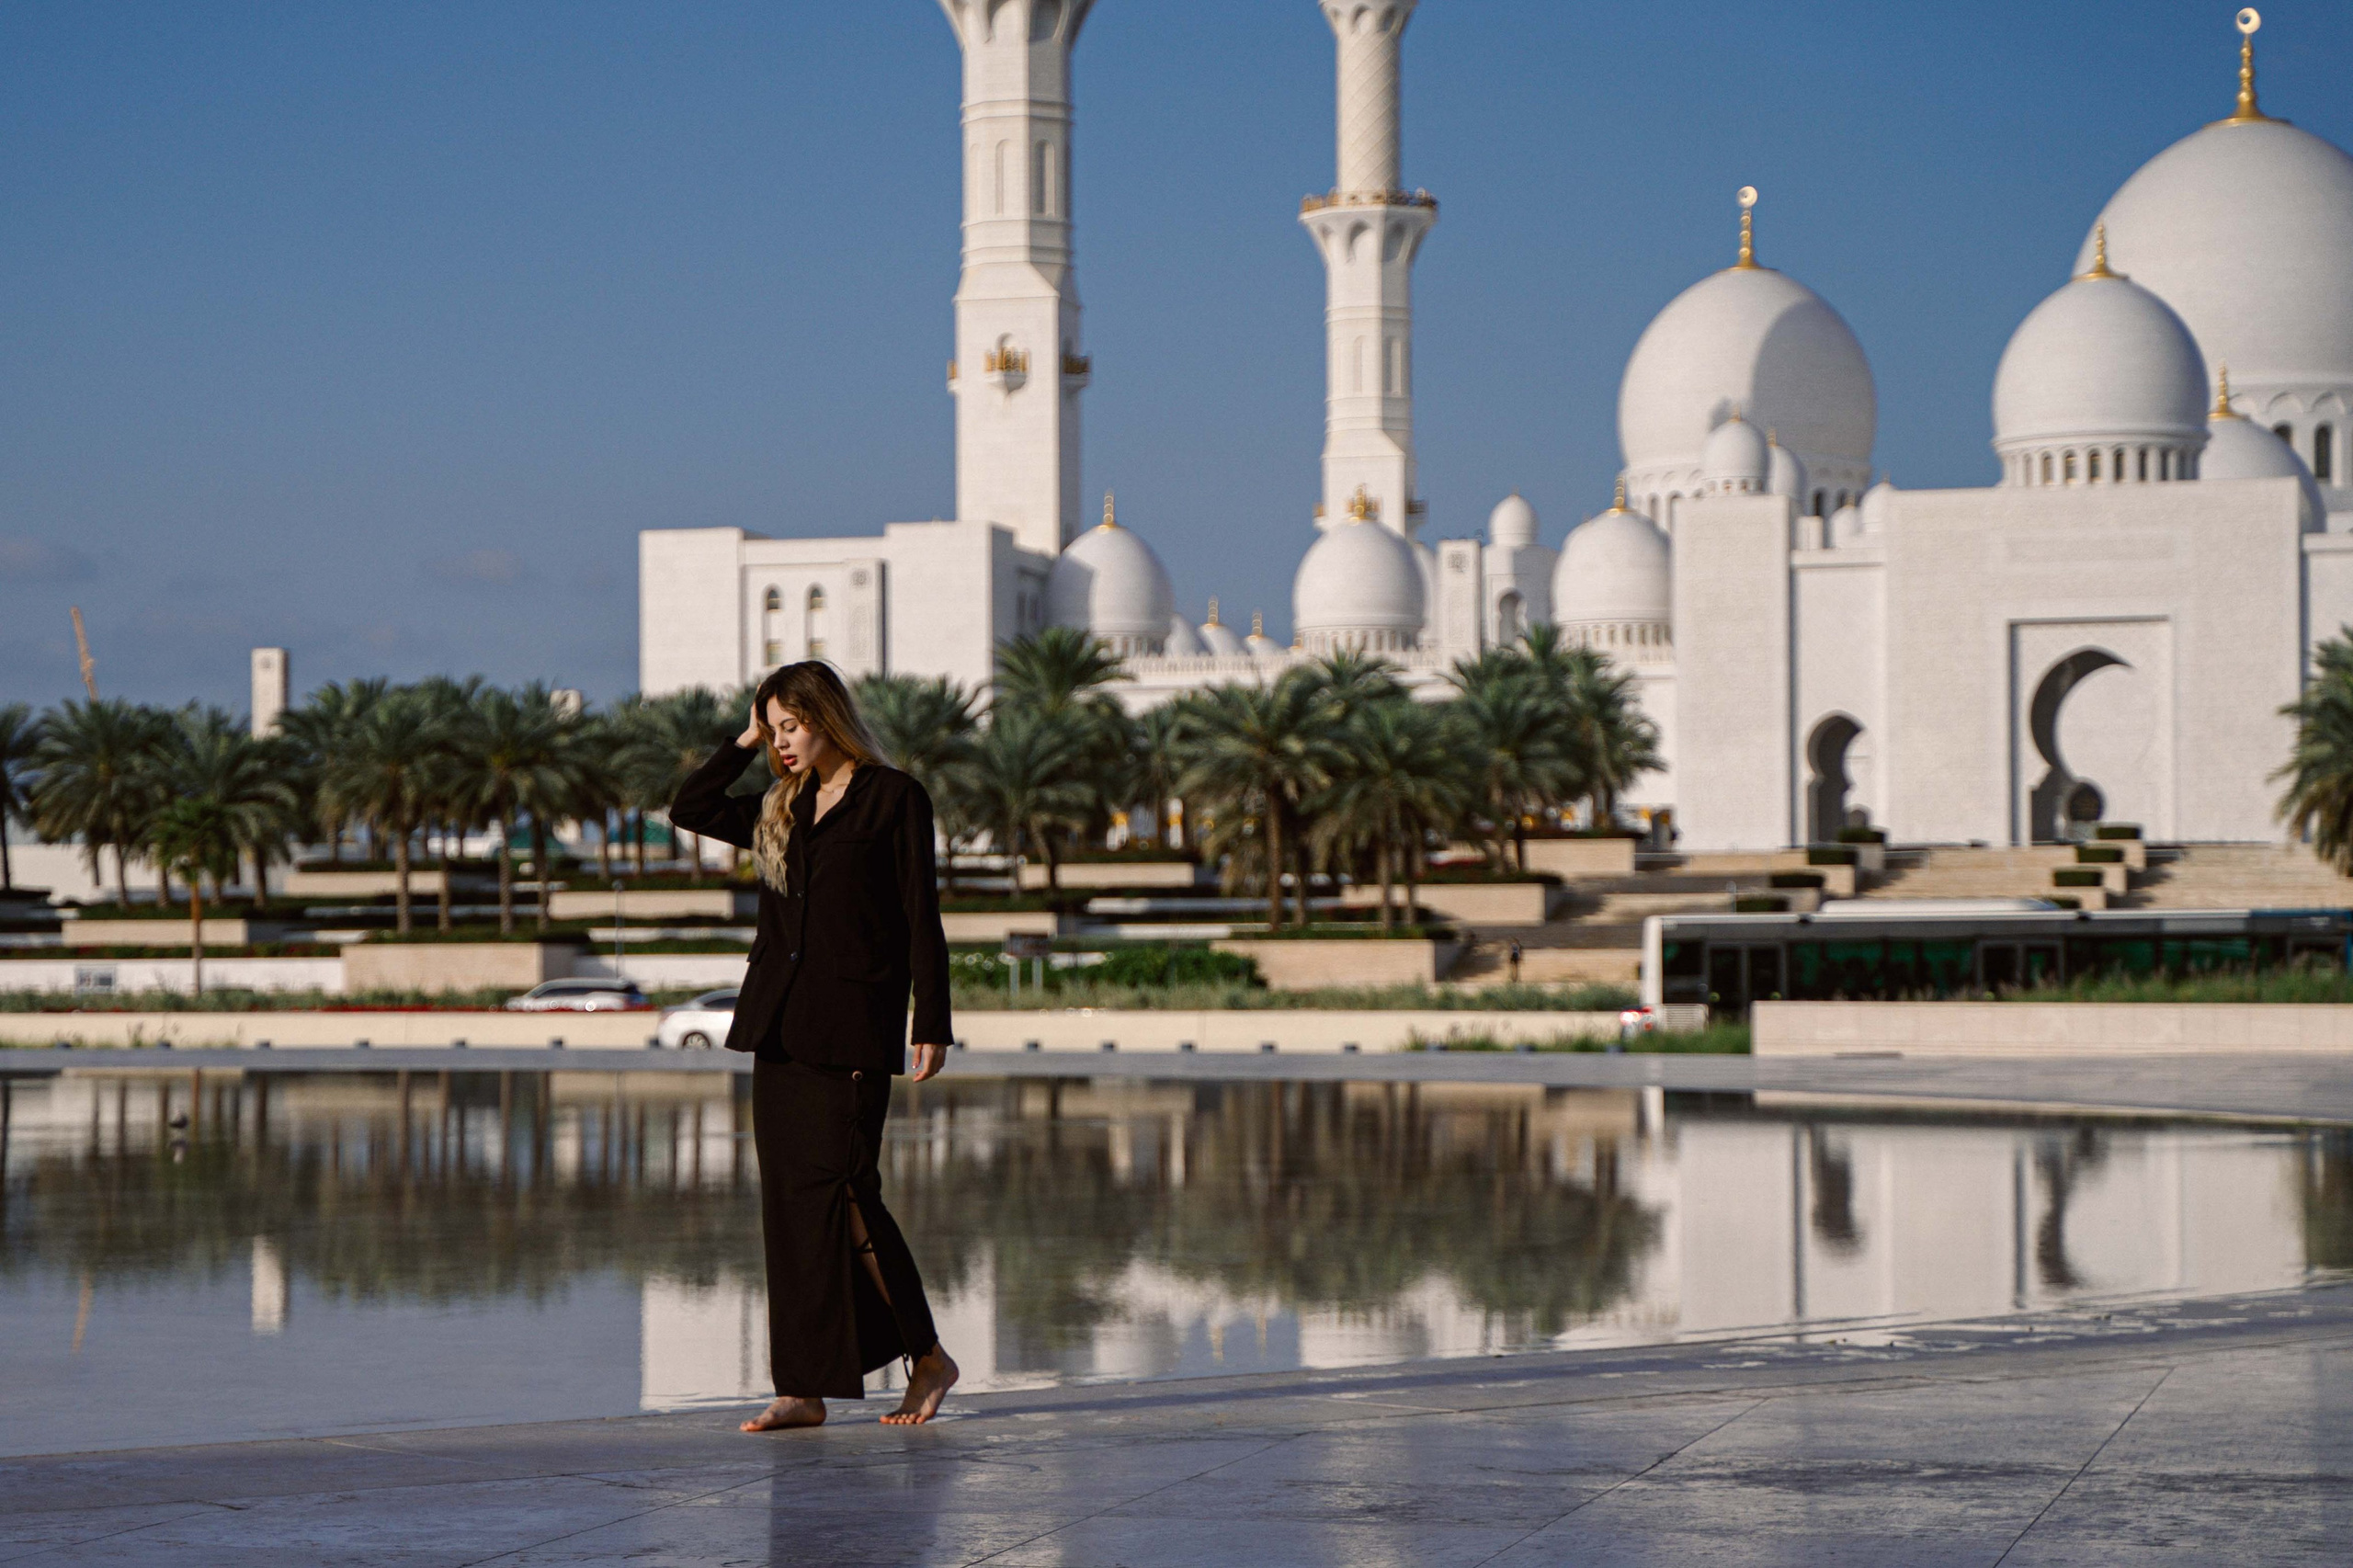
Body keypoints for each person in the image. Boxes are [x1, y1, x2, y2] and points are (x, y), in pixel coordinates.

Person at [669, 661, 959, 1431]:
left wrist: (931, 1017)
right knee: (791, 1214)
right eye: (773, 731)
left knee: (849, 1195)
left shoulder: (895, 797)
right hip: (781, 1028)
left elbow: (919, 915)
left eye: (790, 727)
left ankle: (926, 1356)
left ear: (827, 717)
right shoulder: (777, 806)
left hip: (854, 1027)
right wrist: (743, 738)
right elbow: (690, 805)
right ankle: (801, 1388)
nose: (781, 744)